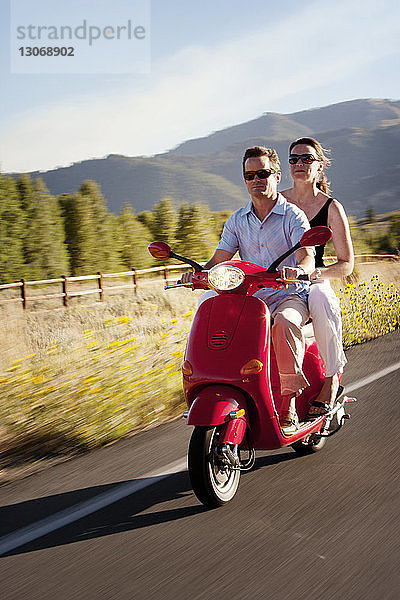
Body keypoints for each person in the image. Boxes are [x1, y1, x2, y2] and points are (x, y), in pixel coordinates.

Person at [181, 146, 315, 433]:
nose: (256, 179)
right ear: (244, 180)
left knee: (284, 322)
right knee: (216, 323)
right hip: (251, 299)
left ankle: (289, 403)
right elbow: (219, 259)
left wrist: (299, 270)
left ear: (277, 176)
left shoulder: (293, 216)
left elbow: (307, 255)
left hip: (287, 294)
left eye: (263, 173)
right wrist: (197, 274)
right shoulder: (237, 220)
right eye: (250, 175)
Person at [281, 137, 354, 417]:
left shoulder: (331, 208)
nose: (299, 163)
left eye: (307, 158)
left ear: (320, 166)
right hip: (278, 282)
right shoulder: (278, 201)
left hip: (312, 279)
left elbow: (347, 264)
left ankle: (332, 379)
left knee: (322, 297)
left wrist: (315, 273)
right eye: (294, 159)